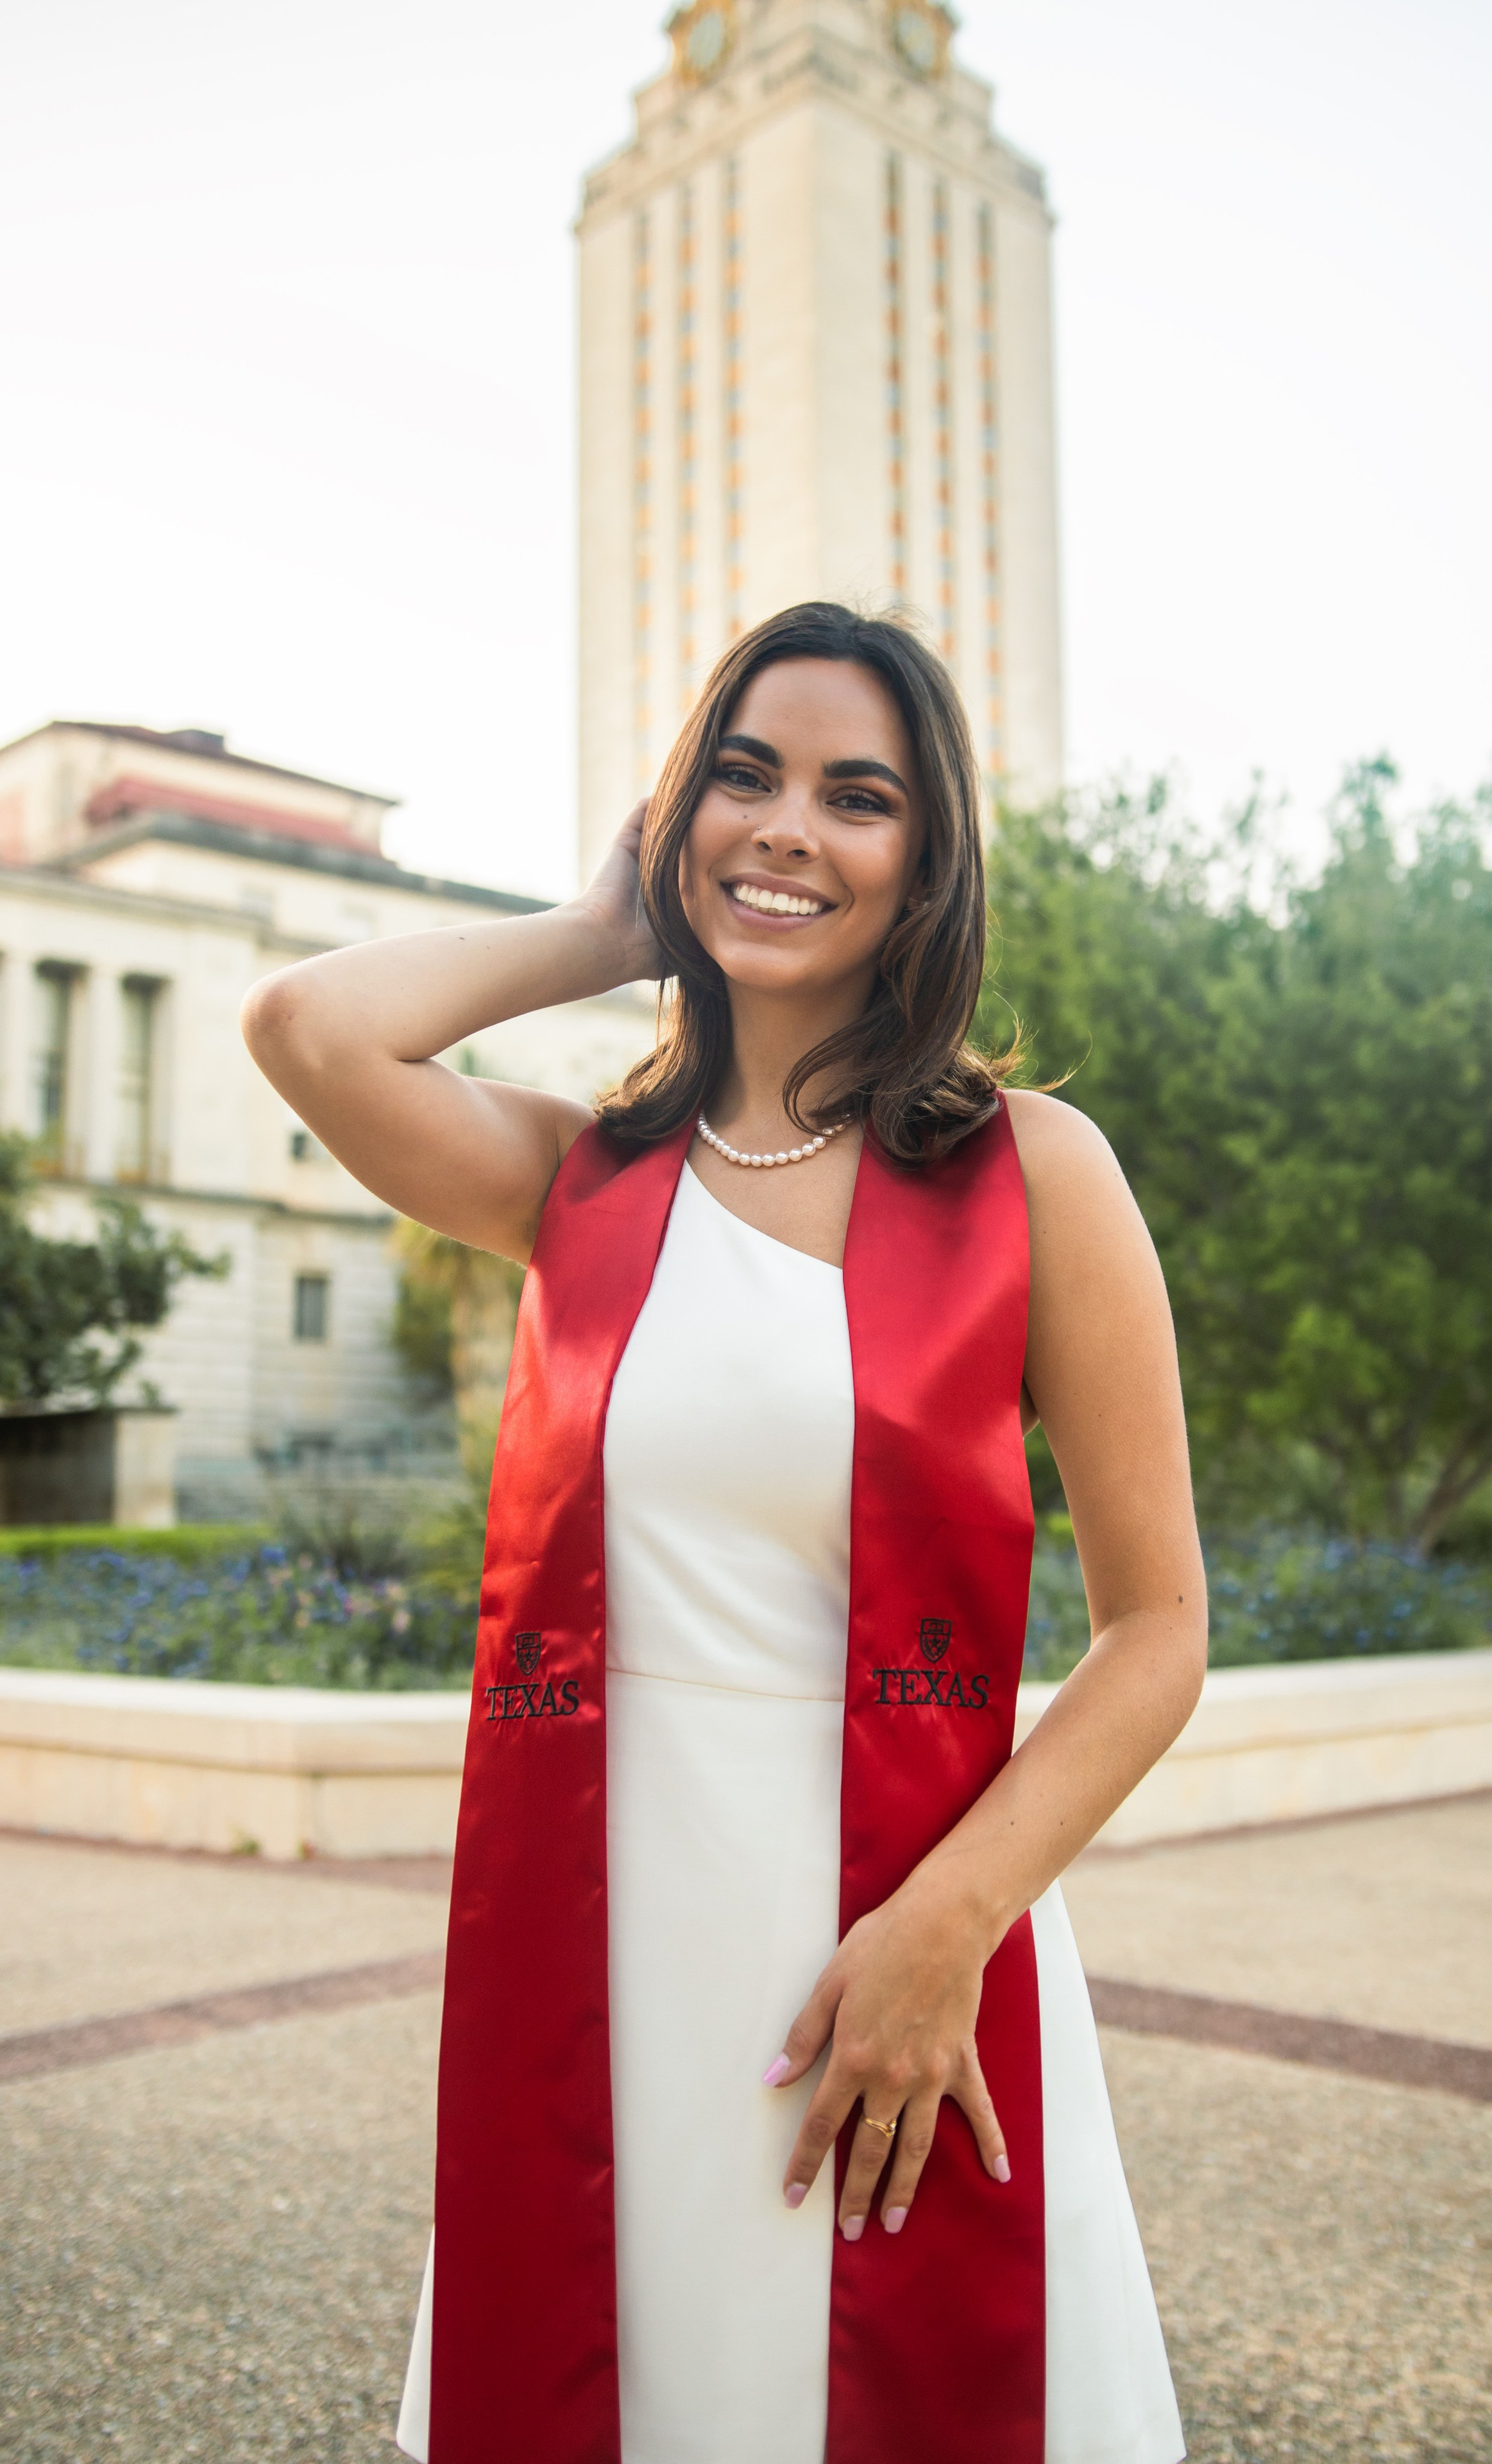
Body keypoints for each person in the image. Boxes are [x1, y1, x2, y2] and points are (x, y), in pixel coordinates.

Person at [242, 601, 1206, 2464]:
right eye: (745, 778)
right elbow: (307, 1025)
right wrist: (604, 931)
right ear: (678, 812)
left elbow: (1158, 1626)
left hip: (902, 1932)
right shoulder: (580, 1183)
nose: (789, 829)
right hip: (607, 1932)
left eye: (859, 797)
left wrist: (949, 1928)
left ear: (924, 866)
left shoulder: (1034, 1175)